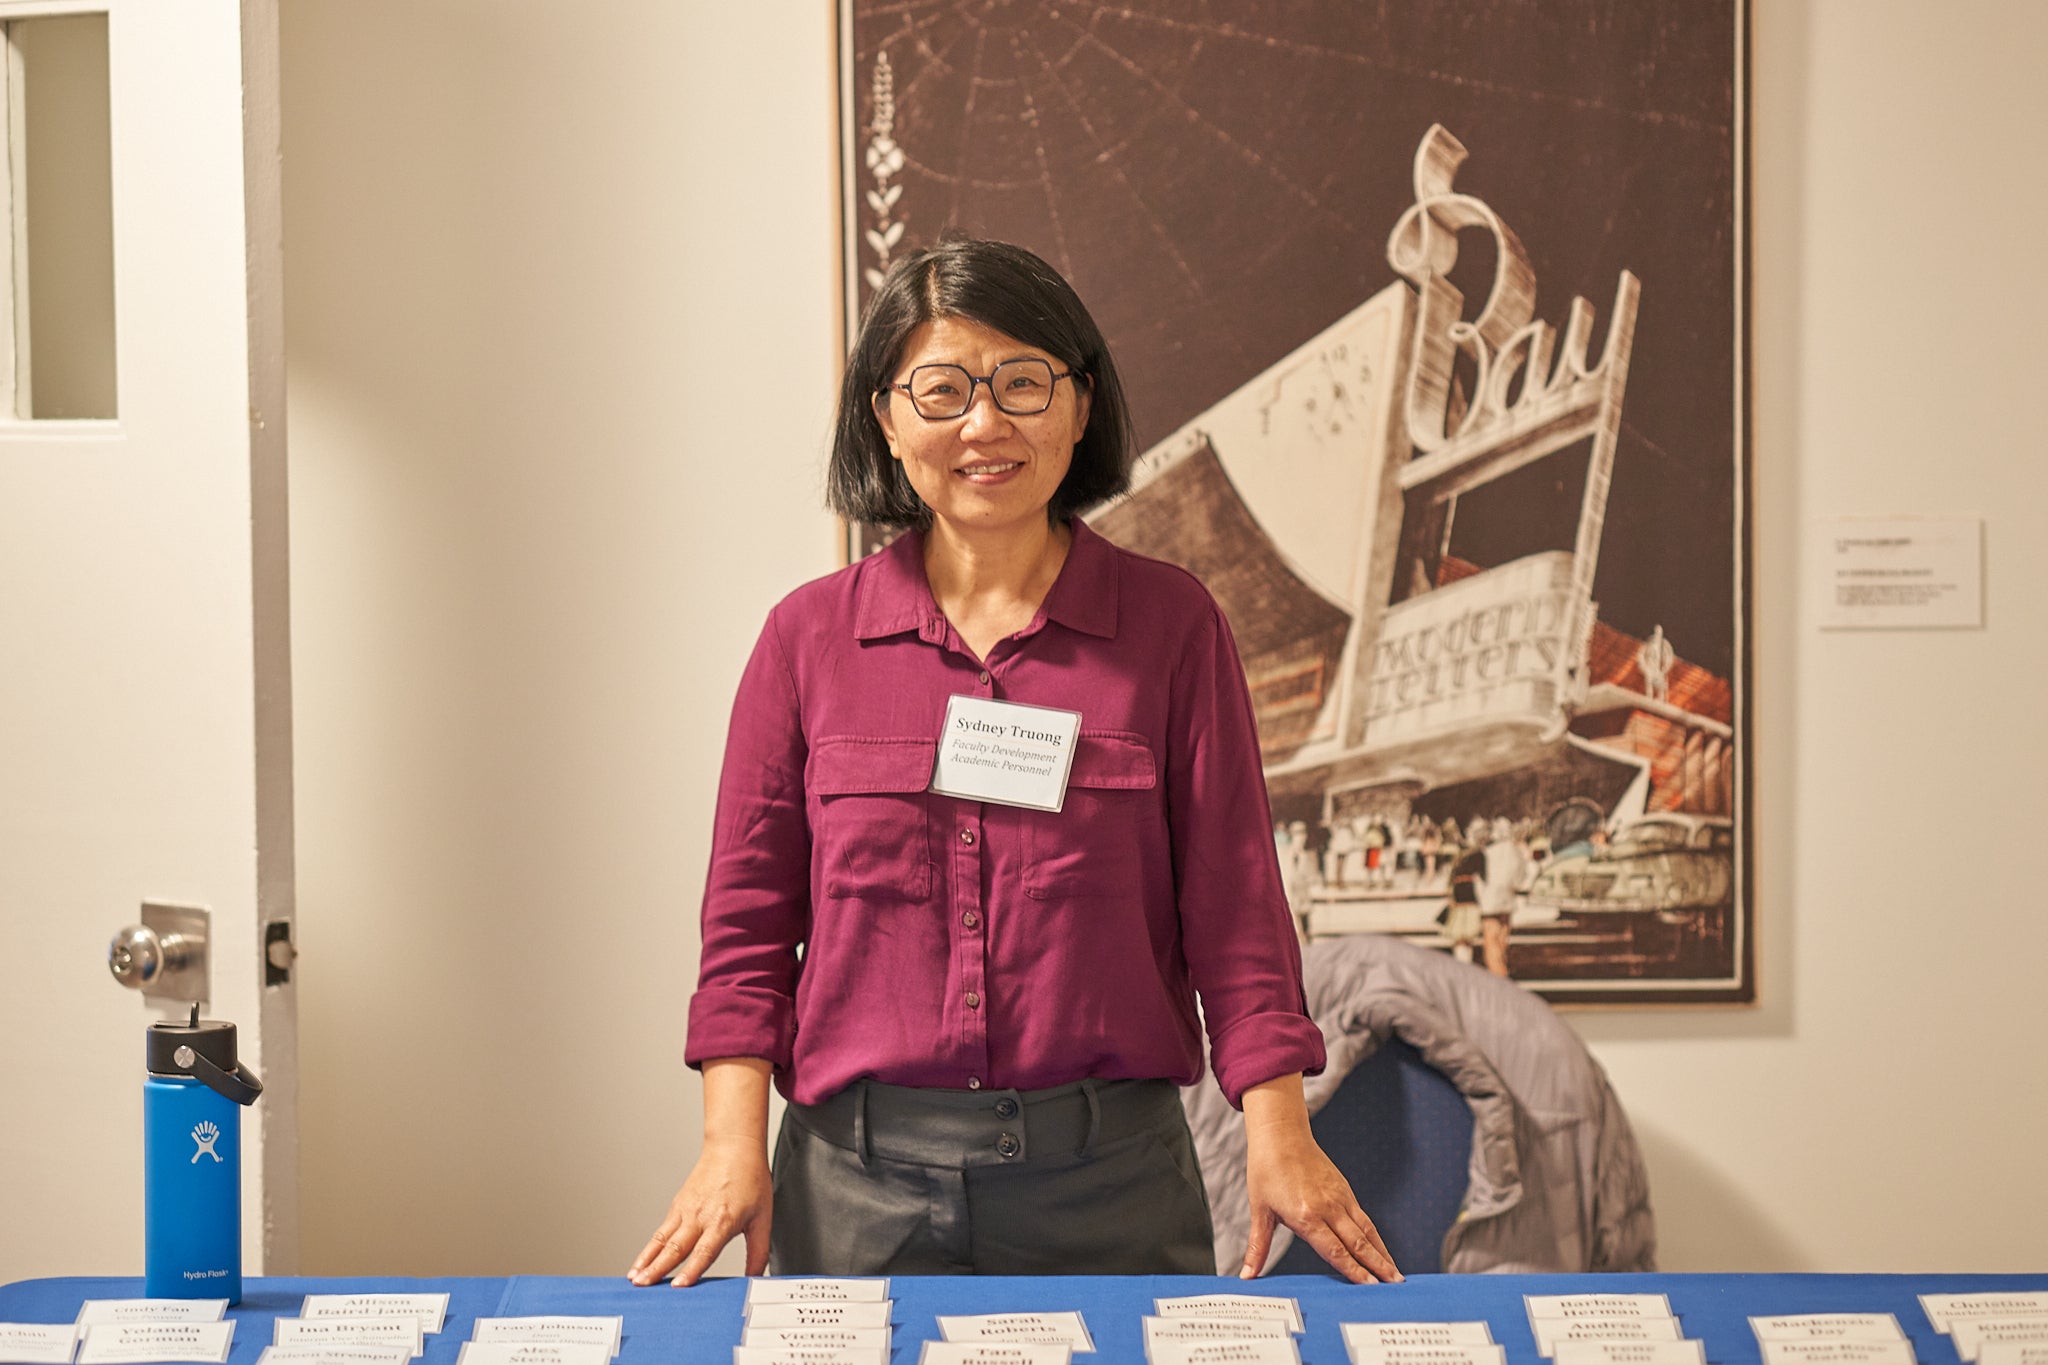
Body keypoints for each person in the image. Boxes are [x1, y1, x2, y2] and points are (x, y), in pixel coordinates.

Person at [627, 236, 1399, 1287]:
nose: (983, 424)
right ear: (884, 419)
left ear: (1079, 408)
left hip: (1110, 1186)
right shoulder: (805, 641)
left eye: (1021, 383)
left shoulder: (1171, 627)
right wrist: (728, 1145)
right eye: (940, 390)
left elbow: (1234, 909)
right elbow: (748, 924)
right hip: (856, 1189)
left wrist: (1280, 1132)